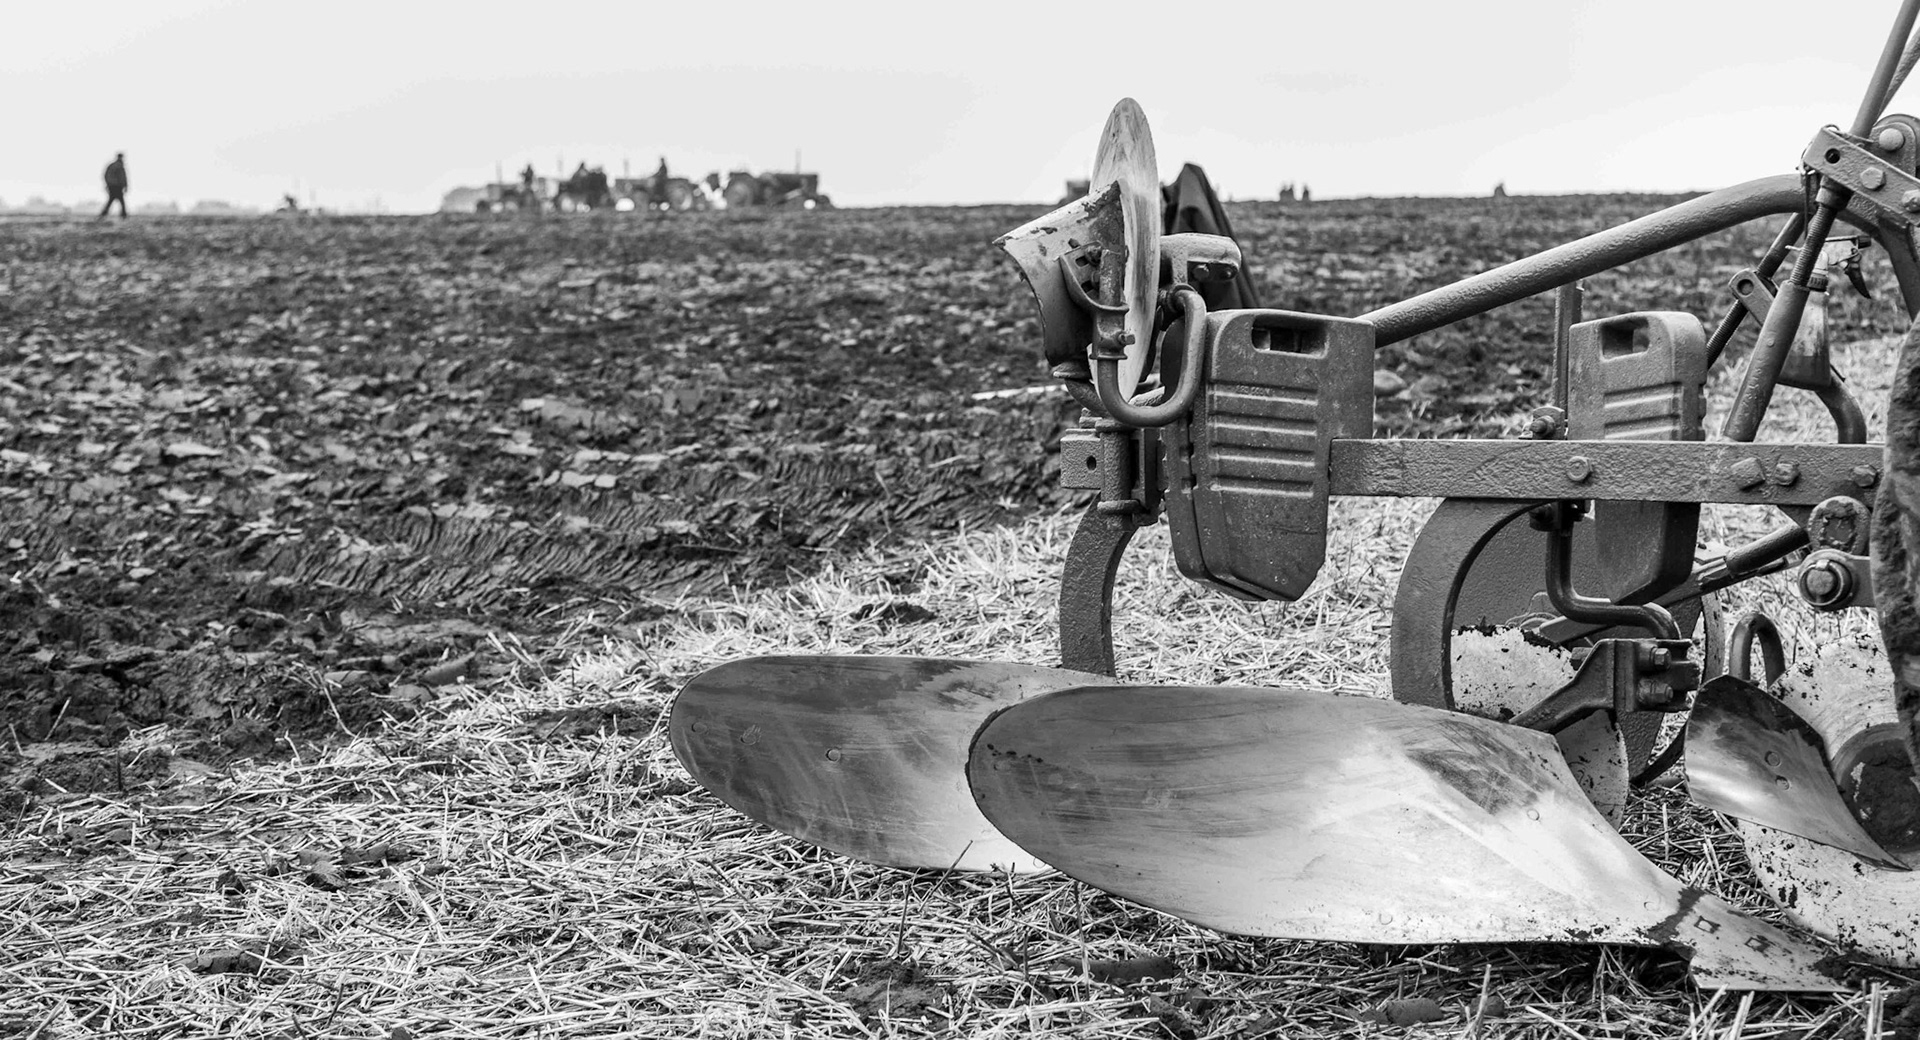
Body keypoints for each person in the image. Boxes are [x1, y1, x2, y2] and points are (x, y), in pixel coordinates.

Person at [100, 152, 128, 219]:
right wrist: (125, 185)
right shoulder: (119, 166)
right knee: (121, 201)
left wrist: (108, 184)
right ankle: (123, 215)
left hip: (112, 186)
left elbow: (106, 176)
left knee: (111, 200)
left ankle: (104, 213)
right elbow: (122, 177)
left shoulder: (112, 165)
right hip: (117, 186)